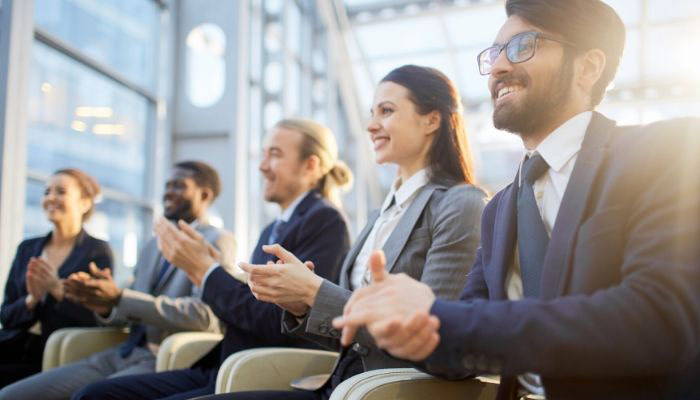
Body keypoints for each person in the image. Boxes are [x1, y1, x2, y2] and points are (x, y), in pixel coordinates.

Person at [333, 1, 700, 399]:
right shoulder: (498, 210)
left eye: (523, 45)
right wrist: (415, 330)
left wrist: (439, 317)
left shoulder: (665, 151)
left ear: (589, 67)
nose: (497, 68)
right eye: (494, 53)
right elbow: (465, 338)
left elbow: (657, 320)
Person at [196, 65, 488, 400]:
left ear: (431, 120)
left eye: (387, 111)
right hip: (340, 387)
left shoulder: (460, 204)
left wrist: (316, 292)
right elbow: (351, 337)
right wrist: (302, 304)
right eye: (372, 113)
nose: (371, 125)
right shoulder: (383, 213)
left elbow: (438, 337)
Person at [72, 118, 353, 400]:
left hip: (256, 368)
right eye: (264, 154)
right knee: (95, 394)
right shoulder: (275, 227)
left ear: (311, 166)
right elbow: (256, 304)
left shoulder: (325, 221)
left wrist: (207, 271)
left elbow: (278, 320)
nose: (262, 166)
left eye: (275, 155)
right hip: (224, 363)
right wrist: (210, 270)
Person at [0, 161, 236, 400]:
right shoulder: (153, 245)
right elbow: (129, 306)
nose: (168, 191)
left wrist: (120, 297)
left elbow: (207, 317)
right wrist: (105, 303)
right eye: (167, 185)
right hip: (124, 351)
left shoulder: (218, 240)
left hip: (165, 357)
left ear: (204, 194)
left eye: (178, 186)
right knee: (11, 395)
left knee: (87, 396)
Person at [0, 168, 113, 387]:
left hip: (58, 353)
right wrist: (31, 300)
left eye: (60, 191)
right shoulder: (27, 248)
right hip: (13, 345)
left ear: (84, 203)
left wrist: (57, 290)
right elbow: (6, 315)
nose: (51, 198)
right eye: (47, 192)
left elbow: (96, 320)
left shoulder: (97, 251)